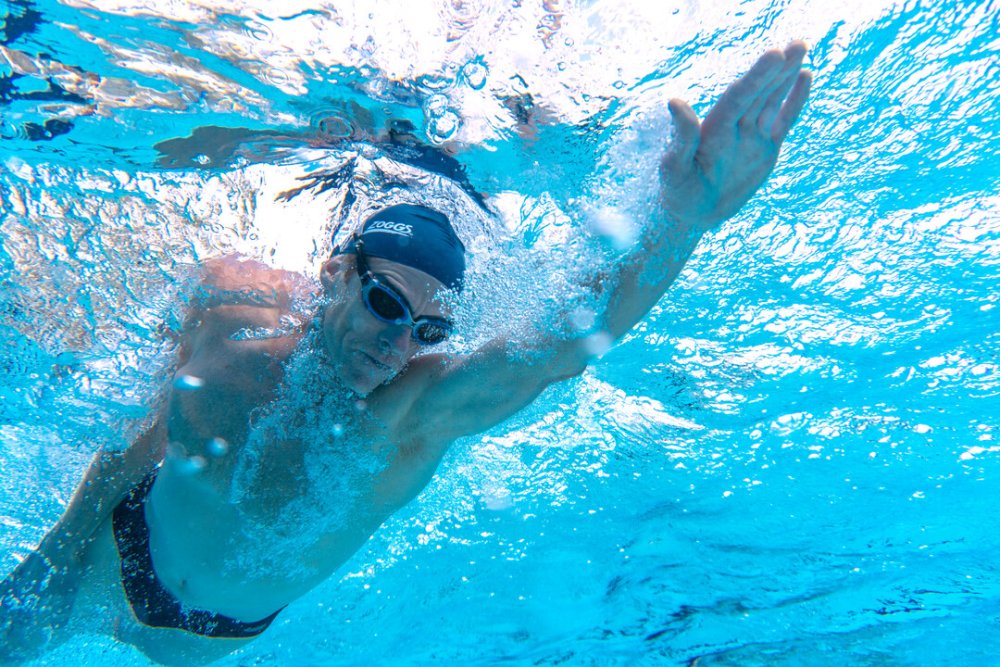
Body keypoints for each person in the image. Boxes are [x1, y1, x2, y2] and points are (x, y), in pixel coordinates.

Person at [0, 42, 812, 665]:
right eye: (388, 302)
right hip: (110, 540)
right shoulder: (229, 301)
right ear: (333, 275)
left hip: (208, 638)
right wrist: (72, 527)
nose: (398, 344)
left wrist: (680, 221)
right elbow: (145, 412)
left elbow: (556, 348)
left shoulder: (410, 418)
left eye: (428, 330)